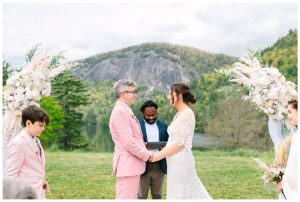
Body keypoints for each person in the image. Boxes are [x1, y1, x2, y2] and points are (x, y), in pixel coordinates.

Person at [150, 83, 212, 199]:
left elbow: (180, 144)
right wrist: (166, 148)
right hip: (174, 162)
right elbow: (175, 139)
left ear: (178, 96)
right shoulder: (180, 114)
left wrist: (157, 156)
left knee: (182, 194)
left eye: (170, 94)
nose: (168, 96)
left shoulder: (187, 114)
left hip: (181, 162)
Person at [109, 79, 154, 199]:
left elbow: (134, 137)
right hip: (127, 165)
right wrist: (147, 155)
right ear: (123, 94)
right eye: (133, 92)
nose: (135, 95)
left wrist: (145, 145)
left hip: (130, 165)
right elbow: (128, 142)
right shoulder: (120, 112)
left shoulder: (125, 109)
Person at [5, 105, 50, 199]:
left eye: (44, 126)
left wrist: (42, 181)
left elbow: (34, 168)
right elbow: (11, 176)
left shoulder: (36, 140)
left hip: (39, 192)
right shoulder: (18, 143)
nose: (43, 129)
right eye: (40, 125)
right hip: (26, 195)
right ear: (28, 123)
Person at [138, 100, 169, 199]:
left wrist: (165, 147)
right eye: (148, 115)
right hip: (143, 165)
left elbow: (169, 144)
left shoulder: (164, 127)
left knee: (157, 195)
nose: (151, 118)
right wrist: (142, 146)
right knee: (141, 196)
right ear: (143, 113)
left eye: (153, 115)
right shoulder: (137, 126)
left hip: (159, 166)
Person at [275, 99, 298, 199]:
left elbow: (295, 167)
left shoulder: (298, 136)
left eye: (290, 112)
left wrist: (283, 183)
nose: (288, 116)